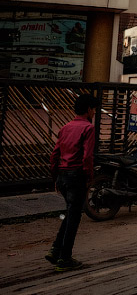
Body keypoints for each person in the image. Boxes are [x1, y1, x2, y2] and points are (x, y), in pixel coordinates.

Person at [47, 93, 99, 271]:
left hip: (63, 175)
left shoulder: (65, 127)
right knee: (74, 217)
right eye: (93, 109)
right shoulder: (88, 128)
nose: (94, 112)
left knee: (70, 213)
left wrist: (56, 178)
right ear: (89, 110)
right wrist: (89, 177)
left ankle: (56, 249)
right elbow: (87, 157)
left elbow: (54, 155)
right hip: (76, 175)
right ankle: (65, 258)